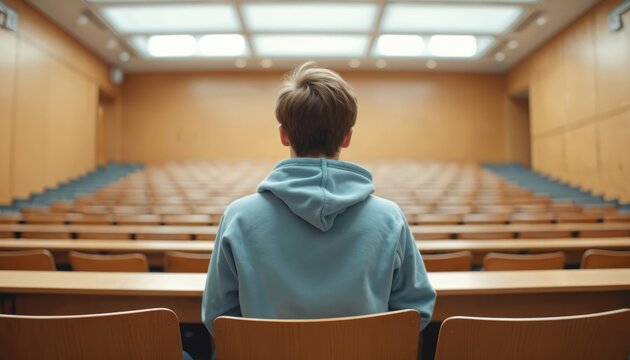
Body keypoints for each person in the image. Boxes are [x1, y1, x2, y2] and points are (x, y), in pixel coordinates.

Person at [202, 62, 436, 337]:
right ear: (347, 137)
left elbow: (217, 317)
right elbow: (416, 310)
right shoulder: (390, 217)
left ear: (284, 134)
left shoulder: (237, 216)